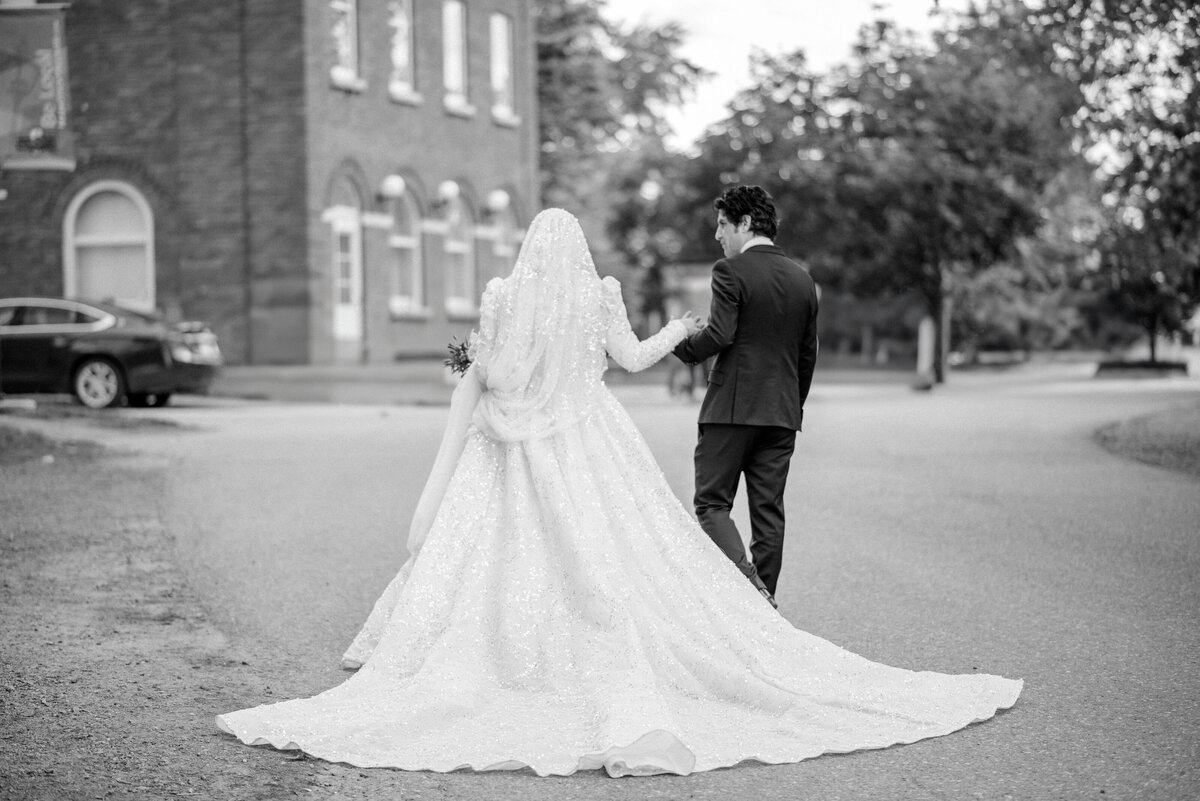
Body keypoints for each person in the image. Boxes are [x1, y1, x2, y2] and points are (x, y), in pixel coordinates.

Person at [216, 208, 1020, 778]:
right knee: (634, 547)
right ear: (577, 250)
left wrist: (467, 366)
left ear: (531, 247)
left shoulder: (504, 296)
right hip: (589, 437)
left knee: (490, 557)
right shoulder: (596, 292)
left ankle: (494, 660)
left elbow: (498, 374)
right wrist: (676, 330)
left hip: (512, 450)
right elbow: (632, 361)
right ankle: (749, 605)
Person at [673, 185, 819, 608]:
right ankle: (765, 608)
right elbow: (807, 355)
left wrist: (679, 342)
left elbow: (720, 334)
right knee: (768, 514)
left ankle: (749, 591)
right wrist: (791, 405)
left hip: (731, 411)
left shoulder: (730, 271)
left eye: (722, 225)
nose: (718, 235)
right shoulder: (803, 279)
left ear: (745, 224)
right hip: (782, 415)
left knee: (711, 505)